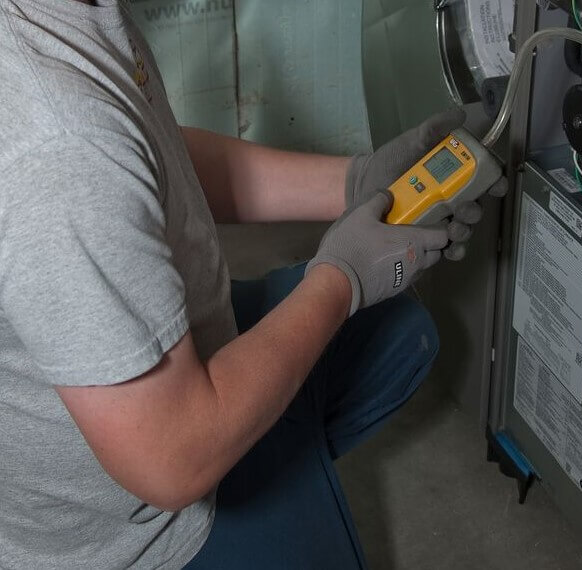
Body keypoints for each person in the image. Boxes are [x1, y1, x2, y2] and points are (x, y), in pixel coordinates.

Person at [0, 0, 506, 568]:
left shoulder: (67, 19)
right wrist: (341, 280)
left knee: (401, 334)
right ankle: (255, 456)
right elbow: (173, 460)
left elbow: (145, 150)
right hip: (134, 528)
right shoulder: (58, 140)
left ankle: (261, 433)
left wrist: (354, 181)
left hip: (165, 376)